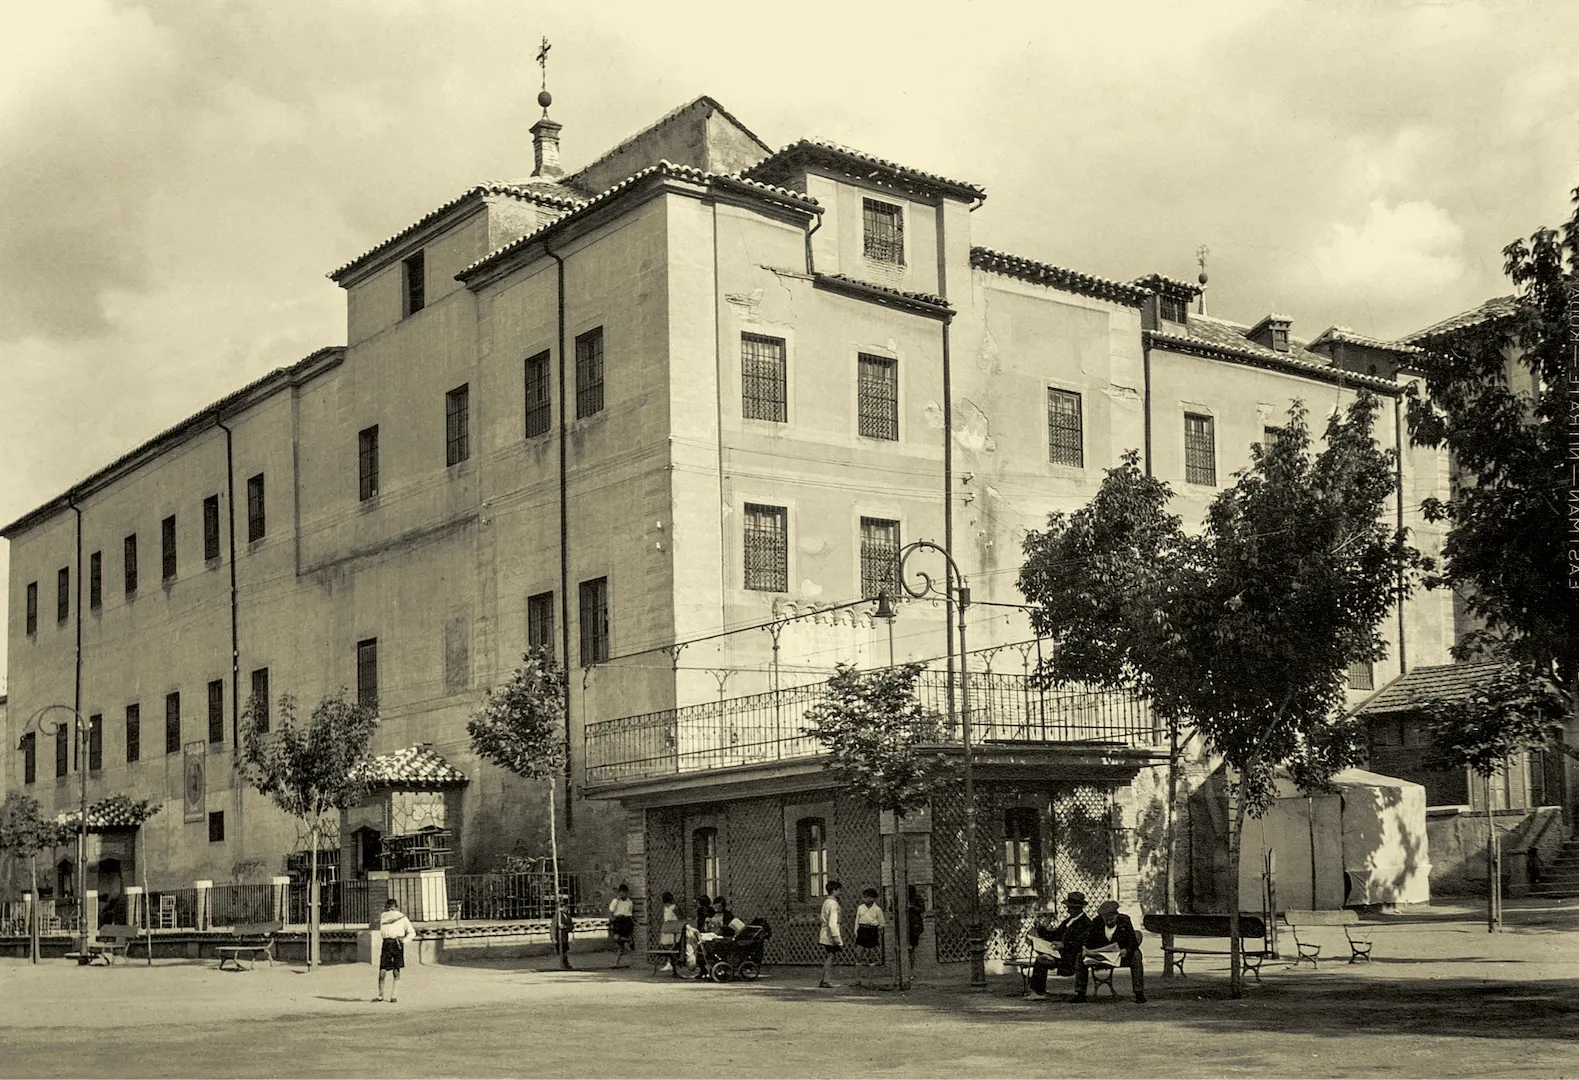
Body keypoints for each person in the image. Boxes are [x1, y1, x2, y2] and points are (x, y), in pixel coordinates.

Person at [1073, 899, 1146, 1004]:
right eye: (1105, 919)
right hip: (1101, 957)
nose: (1108, 922)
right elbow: (1088, 940)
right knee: (1080, 956)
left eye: (1111, 919)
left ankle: (1139, 993)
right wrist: (1086, 949)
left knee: (1136, 955)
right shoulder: (1097, 922)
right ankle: (1080, 993)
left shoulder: (1125, 921)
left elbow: (1132, 942)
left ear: (1117, 915)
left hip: (1120, 956)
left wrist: (1126, 950)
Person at [1024, 891, 1091, 1000]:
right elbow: (1054, 935)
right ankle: (1038, 992)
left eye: (1071, 908)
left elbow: (1083, 942)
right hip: (1060, 956)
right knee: (1041, 958)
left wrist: (1064, 945)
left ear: (1078, 909)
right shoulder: (1068, 921)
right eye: (1068, 907)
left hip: (1072, 959)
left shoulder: (1086, 923)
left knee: (1042, 959)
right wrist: (1040, 929)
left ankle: (1039, 992)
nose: (1068, 910)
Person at [375, 897, 417, 1003]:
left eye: (392, 908)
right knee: (382, 971)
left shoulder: (402, 917)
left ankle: (394, 995)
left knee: (396, 970)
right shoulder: (383, 917)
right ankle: (380, 995)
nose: (390, 910)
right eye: (388, 908)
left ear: (396, 908)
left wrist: (404, 941)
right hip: (386, 943)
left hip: (397, 943)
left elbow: (411, 932)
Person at [818, 880, 844, 988]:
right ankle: (826, 980)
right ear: (834, 891)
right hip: (830, 934)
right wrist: (836, 937)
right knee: (831, 957)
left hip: (825, 932)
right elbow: (832, 922)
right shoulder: (833, 904)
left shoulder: (826, 902)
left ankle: (824, 979)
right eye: (838, 890)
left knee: (830, 957)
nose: (840, 892)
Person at [853, 888, 885, 967]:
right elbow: (857, 919)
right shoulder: (860, 908)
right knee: (860, 948)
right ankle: (858, 963)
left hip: (872, 929)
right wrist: (856, 930)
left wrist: (877, 929)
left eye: (865, 897)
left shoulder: (877, 909)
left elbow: (882, 922)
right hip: (862, 929)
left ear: (872, 898)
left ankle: (872, 963)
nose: (863, 899)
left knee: (872, 949)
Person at [608, 883, 636, 967]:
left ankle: (616, 963)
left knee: (621, 946)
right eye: (621, 892)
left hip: (626, 921)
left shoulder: (629, 902)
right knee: (616, 938)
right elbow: (611, 911)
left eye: (625, 892)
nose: (623, 894)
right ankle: (628, 940)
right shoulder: (616, 901)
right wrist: (613, 919)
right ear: (619, 892)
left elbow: (630, 912)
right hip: (618, 921)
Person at [657, 891, 683, 973]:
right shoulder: (665, 908)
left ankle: (671, 963)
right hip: (667, 929)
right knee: (666, 946)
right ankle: (669, 963)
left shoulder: (674, 907)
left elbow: (680, 918)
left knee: (672, 945)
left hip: (674, 929)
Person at [906, 886, 926, 966]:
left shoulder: (917, 898)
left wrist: (912, 908)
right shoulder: (899, 897)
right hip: (904, 924)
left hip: (914, 925)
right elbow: (891, 908)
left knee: (912, 947)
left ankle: (911, 966)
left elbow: (922, 909)